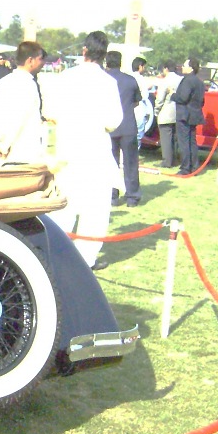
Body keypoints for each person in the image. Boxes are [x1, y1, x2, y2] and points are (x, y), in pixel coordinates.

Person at [43, 31, 122, 271]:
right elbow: (113, 121)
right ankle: (86, 259)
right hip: (96, 154)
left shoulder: (65, 77)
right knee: (95, 212)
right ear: (104, 55)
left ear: (84, 50)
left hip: (68, 151)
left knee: (64, 208)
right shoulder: (108, 82)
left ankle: (57, 255)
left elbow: (51, 114)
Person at [0, 41, 48, 167]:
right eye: (40, 59)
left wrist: (1, 142)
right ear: (30, 60)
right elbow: (18, 118)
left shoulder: (4, 81)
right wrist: (5, 146)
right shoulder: (27, 84)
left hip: (9, 151)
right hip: (22, 153)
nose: (43, 63)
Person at [105, 50, 142, 207]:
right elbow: (137, 101)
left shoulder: (104, 80)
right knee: (131, 163)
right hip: (128, 125)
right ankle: (132, 196)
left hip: (109, 126)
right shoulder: (130, 80)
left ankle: (112, 195)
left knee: (110, 163)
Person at [173, 57, 206, 175]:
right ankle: (194, 166)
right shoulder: (200, 82)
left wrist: (172, 94)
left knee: (184, 142)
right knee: (192, 142)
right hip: (194, 114)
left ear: (191, 68)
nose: (182, 67)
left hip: (184, 115)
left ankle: (185, 167)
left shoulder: (187, 80)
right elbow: (202, 101)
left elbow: (183, 97)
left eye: (185, 65)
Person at [154, 60, 183, 167]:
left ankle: (167, 161)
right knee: (175, 139)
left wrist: (156, 111)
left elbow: (159, 99)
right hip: (178, 112)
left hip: (166, 112)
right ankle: (174, 159)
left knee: (166, 139)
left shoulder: (165, 81)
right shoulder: (181, 80)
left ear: (166, 68)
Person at [131, 56, 151, 149]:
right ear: (140, 66)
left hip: (129, 109)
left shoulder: (128, 77)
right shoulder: (141, 79)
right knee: (138, 135)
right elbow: (145, 96)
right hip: (139, 108)